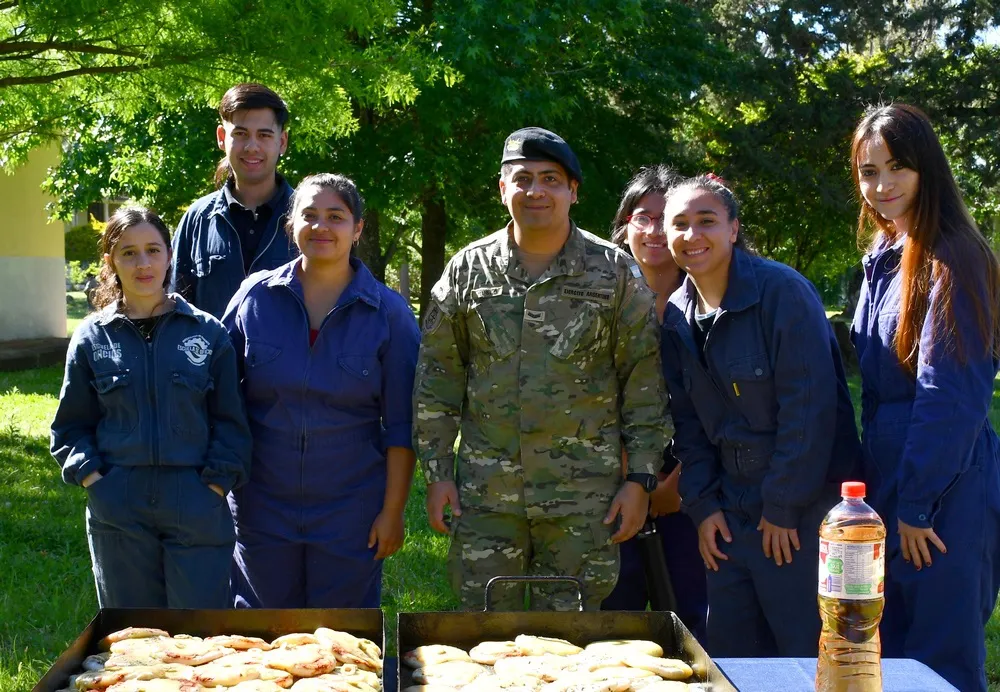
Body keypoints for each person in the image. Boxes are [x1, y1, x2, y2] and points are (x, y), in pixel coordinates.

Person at [413, 127, 668, 611]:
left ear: (573, 192)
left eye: (551, 179)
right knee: (486, 638)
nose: (536, 191)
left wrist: (640, 480)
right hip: (487, 498)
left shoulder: (613, 272)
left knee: (572, 645)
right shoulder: (469, 270)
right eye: (523, 178)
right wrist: (438, 474)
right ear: (503, 188)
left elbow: (643, 382)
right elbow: (438, 380)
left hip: (581, 498)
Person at [659, 174, 860, 656]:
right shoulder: (675, 315)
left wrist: (783, 506)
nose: (692, 235)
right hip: (728, 511)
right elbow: (686, 424)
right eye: (679, 224)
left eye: (706, 221)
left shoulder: (782, 294)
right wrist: (704, 508)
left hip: (801, 506)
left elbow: (810, 410)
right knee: (734, 658)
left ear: (733, 229)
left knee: (807, 653)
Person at [849, 103, 1000, 692]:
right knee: (893, 652)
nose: (882, 185)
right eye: (868, 171)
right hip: (892, 479)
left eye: (897, 168)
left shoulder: (953, 256)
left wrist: (917, 504)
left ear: (927, 170)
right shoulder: (886, 257)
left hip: (942, 493)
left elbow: (951, 397)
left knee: (941, 660)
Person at [222, 173, 420, 608]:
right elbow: (219, 401)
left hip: (351, 510)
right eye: (309, 215)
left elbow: (403, 425)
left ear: (358, 228)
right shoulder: (253, 300)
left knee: (343, 642)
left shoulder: (388, 314)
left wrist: (392, 512)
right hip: (261, 505)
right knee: (259, 641)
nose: (321, 227)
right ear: (291, 225)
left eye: (336, 216)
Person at [50, 206, 251, 608]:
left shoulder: (207, 333)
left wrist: (213, 486)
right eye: (128, 252)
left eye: (153, 250)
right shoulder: (92, 338)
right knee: (133, 638)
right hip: (119, 502)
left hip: (195, 501)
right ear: (111, 261)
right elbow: (69, 427)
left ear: (169, 255)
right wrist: (95, 481)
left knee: (201, 639)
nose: (143, 263)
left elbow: (232, 423)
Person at [601, 165, 708, 638]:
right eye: (641, 217)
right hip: (611, 486)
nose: (652, 230)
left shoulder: (708, 304)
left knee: (691, 627)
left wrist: (673, 487)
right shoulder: (599, 301)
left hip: (692, 490)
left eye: (665, 218)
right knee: (614, 629)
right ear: (624, 226)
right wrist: (633, 477)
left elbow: (718, 410)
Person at [170, 83, 299, 318]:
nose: (252, 147)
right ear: (221, 137)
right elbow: (174, 309)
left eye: (264, 135)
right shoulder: (197, 220)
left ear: (282, 142)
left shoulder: (308, 220)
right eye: (240, 134)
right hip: (212, 355)